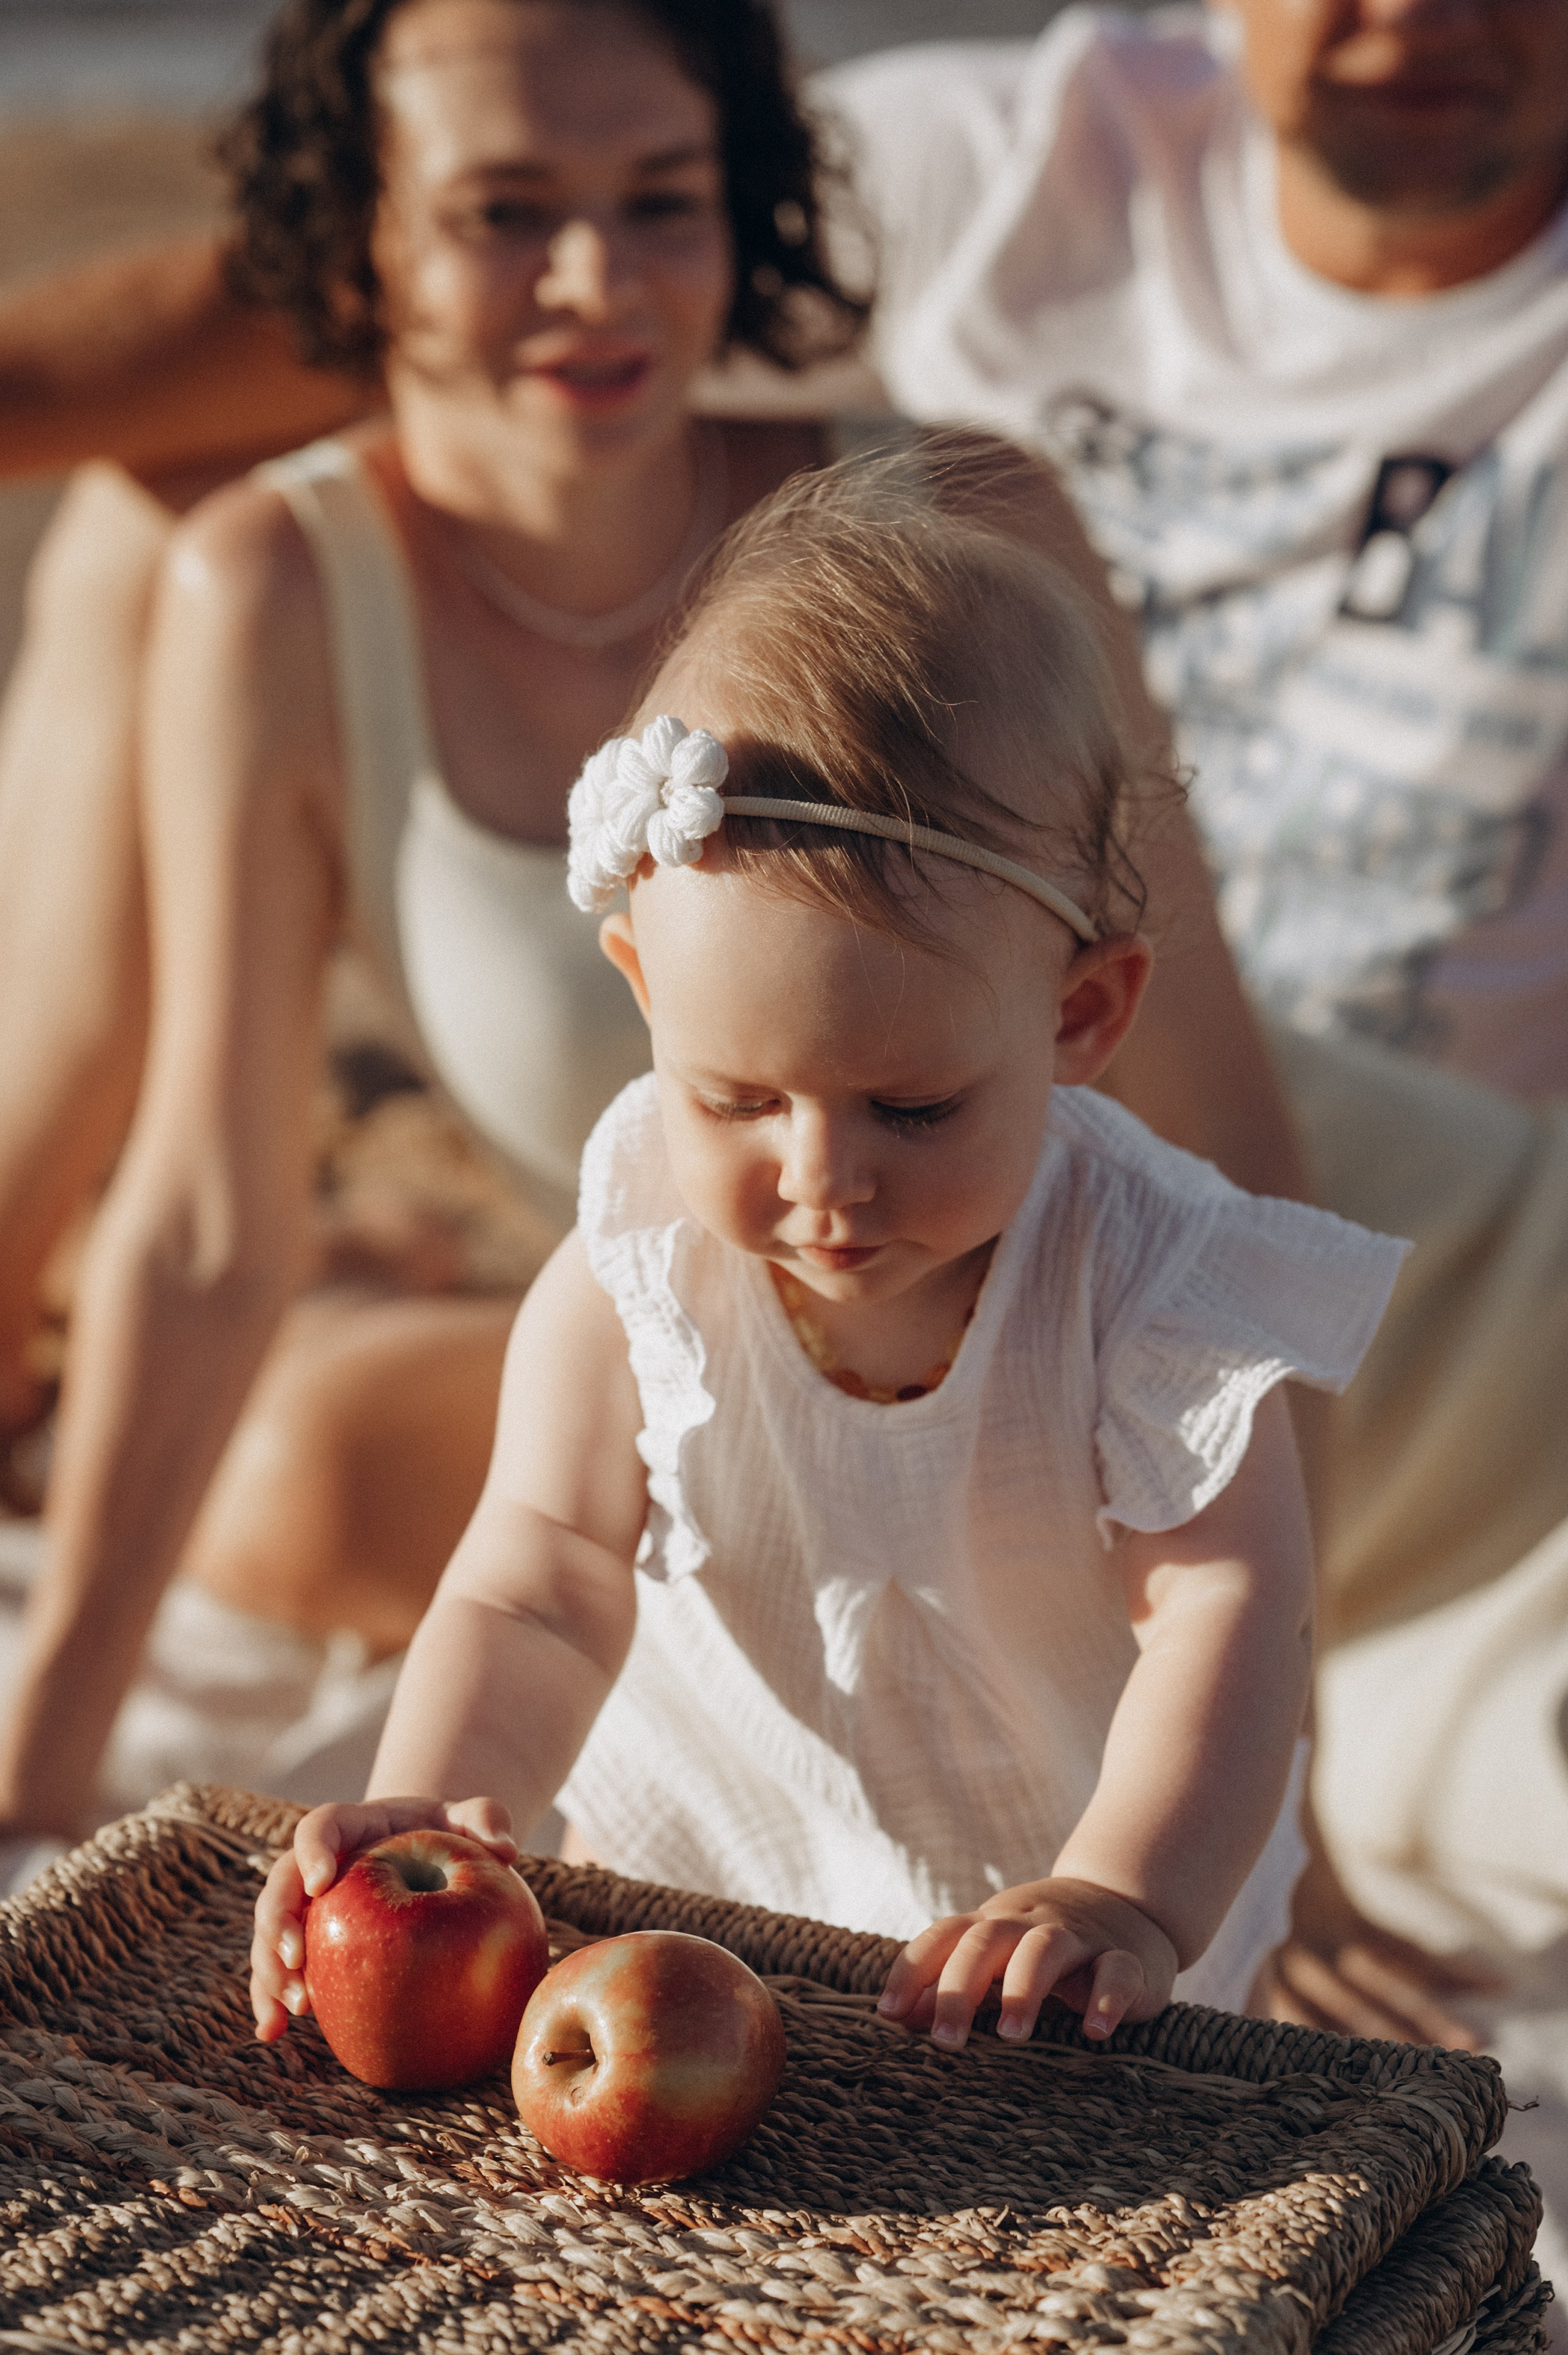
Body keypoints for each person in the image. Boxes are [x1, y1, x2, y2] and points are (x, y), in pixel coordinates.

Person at [0, 0, 1303, 1877]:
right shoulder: (275, 584)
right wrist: (41, 1790)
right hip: (822, 1322)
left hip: (1195, 1373)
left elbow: (1231, 1159)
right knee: (304, 1471)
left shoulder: (962, 519)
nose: (598, 281)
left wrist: (1293, 1804)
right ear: (354, 235)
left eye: (664, 201)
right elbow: (207, 1215)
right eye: (506, 212)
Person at [251, 456, 1404, 2051]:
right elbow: (539, 1580)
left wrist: (1129, 1896)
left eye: (915, 1108)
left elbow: (1228, 1613)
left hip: (1064, 1910)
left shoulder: (1147, 1282)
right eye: (736, 1098)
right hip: (716, 1871)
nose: (822, 1179)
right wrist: (427, 1803)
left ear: (1080, 1017)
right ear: (646, 984)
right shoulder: (645, 1251)